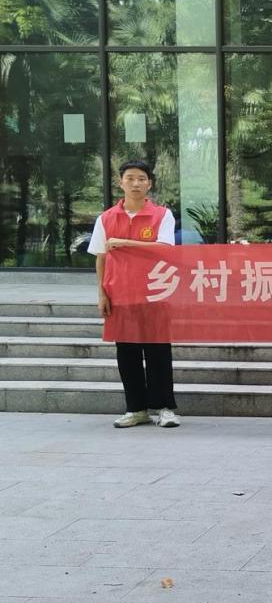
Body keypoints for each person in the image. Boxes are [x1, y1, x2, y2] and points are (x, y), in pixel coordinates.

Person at [88, 159, 179, 428]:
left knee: (158, 351)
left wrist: (125, 242)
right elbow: (101, 257)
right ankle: (136, 409)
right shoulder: (106, 218)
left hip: (155, 293)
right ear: (121, 182)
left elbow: (165, 249)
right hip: (120, 294)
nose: (136, 183)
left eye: (141, 178)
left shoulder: (162, 215)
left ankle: (165, 408)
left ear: (149, 183)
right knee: (127, 353)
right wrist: (102, 294)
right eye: (130, 178)